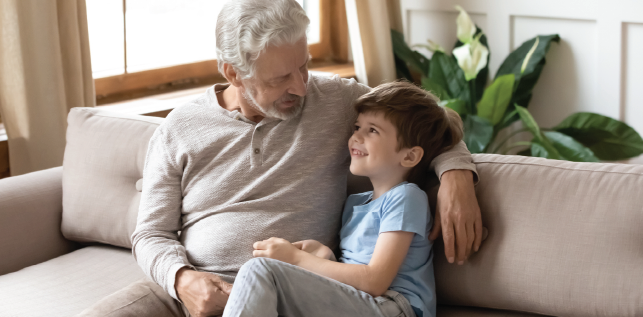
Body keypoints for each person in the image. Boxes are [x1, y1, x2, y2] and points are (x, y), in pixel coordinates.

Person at [129, 0, 483, 316]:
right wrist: (181, 279)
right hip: (190, 295)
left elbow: (429, 119)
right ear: (233, 73)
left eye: (304, 66)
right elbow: (149, 234)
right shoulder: (178, 128)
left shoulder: (334, 100)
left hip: (295, 294)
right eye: (282, 77)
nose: (301, 86)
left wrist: (456, 175)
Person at [221, 80, 463, 317]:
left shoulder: (406, 197)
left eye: (373, 130)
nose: (356, 137)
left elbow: (375, 280)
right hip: (364, 302)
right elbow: (354, 282)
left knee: (262, 271)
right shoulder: (354, 204)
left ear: (410, 156)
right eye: (357, 127)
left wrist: (297, 259)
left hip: (394, 306)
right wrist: (327, 257)